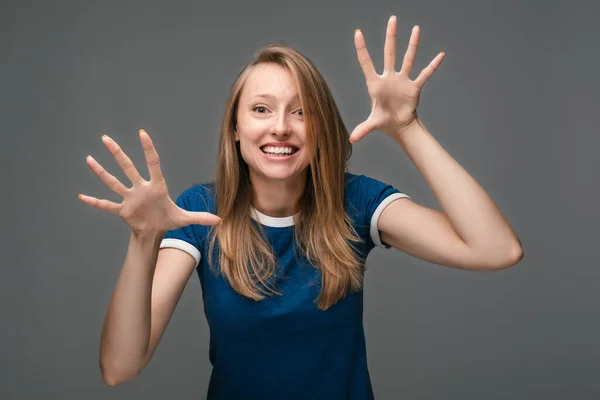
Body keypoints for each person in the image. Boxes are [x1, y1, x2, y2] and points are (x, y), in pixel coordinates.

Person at [79, 15, 523, 399]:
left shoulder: (357, 203)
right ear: (235, 128)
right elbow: (120, 368)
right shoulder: (201, 213)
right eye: (260, 109)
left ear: (320, 125)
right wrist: (144, 239)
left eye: (300, 112)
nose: (280, 128)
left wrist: (407, 127)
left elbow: (496, 250)